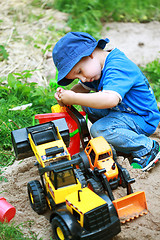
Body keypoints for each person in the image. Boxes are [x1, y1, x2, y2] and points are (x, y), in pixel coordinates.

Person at [52, 31, 160, 171]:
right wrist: (67, 95)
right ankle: (118, 139)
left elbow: (110, 100)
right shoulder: (95, 69)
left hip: (141, 118)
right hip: (123, 112)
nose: (82, 79)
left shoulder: (118, 66)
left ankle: (146, 148)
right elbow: (82, 89)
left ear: (90, 54)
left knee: (100, 130)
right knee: (88, 105)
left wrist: (74, 98)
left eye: (79, 72)